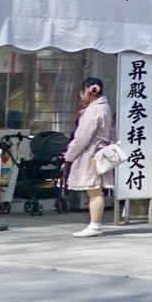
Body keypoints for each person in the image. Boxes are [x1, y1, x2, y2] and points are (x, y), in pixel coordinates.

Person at [62, 77, 115, 238]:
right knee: (96, 190)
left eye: (82, 92)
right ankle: (95, 224)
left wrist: (70, 154)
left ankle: (95, 225)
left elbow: (82, 136)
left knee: (94, 190)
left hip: (91, 153)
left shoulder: (94, 110)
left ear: (89, 91)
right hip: (100, 151)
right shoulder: (104, 107)